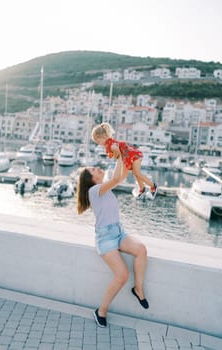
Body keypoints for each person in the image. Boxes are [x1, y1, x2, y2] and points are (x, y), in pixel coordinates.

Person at [77, 149, 149, 328]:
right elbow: (117, 178)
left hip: (118, 232)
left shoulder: (105, 188)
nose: (98, 169)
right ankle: (101, 311)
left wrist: (125, 156)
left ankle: (138, 289)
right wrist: (119, 154)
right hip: (106, 238)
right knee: (122, 275)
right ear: (90, 179)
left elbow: (121, 175)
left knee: (141, 250)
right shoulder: (94, 191)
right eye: (94, 170)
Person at [91, 122, 157, 198]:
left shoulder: (110, 145)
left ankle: (153, 186)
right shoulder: (110, 143)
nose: (99, 144)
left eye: (98, 141)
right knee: (129, 174)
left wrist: (117, 155)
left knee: (137, 173)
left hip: (133, 155)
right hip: (127, 158)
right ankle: (142, 189)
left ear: (104, 136)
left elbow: (117, 153)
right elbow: (120, 156)